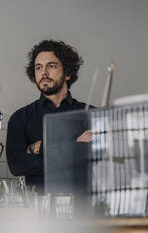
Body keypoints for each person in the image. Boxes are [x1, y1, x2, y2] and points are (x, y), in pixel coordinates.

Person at [6, 40, 92, 193]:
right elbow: (17, 166)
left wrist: (41, 148)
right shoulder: (20, 118)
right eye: (38, 67)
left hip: (83, 210)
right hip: (38, 210)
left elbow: (99, 160)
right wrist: (75, 149)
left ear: (67, 73)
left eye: (51, 66)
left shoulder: (91, 115)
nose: (44, 72)